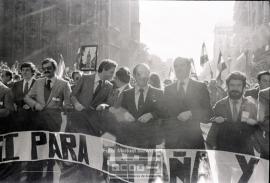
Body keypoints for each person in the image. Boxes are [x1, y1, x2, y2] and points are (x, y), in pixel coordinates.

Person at [162, 57, 211, 149]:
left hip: (193, 142)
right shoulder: (168, 89)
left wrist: (192, 113)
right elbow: (164, 114)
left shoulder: (200, 87)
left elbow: (208, 113)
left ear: (189, 67)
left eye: (182, 65)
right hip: (172, 143)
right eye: (176, 66)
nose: (178, 68)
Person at [208, 72, 258, 155]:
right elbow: (213, 131)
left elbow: (256, 130)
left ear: (243, 87)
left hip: (245, 153)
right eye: (232, 85)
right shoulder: (219, 105)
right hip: (223, 153)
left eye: (239, 85)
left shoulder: (251, 106)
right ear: (227, 87)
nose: (235, 88)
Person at [119, 63, 164, 148]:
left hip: (150, 142)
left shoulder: (159, 93)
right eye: (139, 73)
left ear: (149, 75)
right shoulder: (126, 94)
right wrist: (124, 114)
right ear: (134, 76)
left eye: (146, 73)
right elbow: (120, 111)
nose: (143, 76)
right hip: (130, 141)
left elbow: (164, 112)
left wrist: (151, 115)